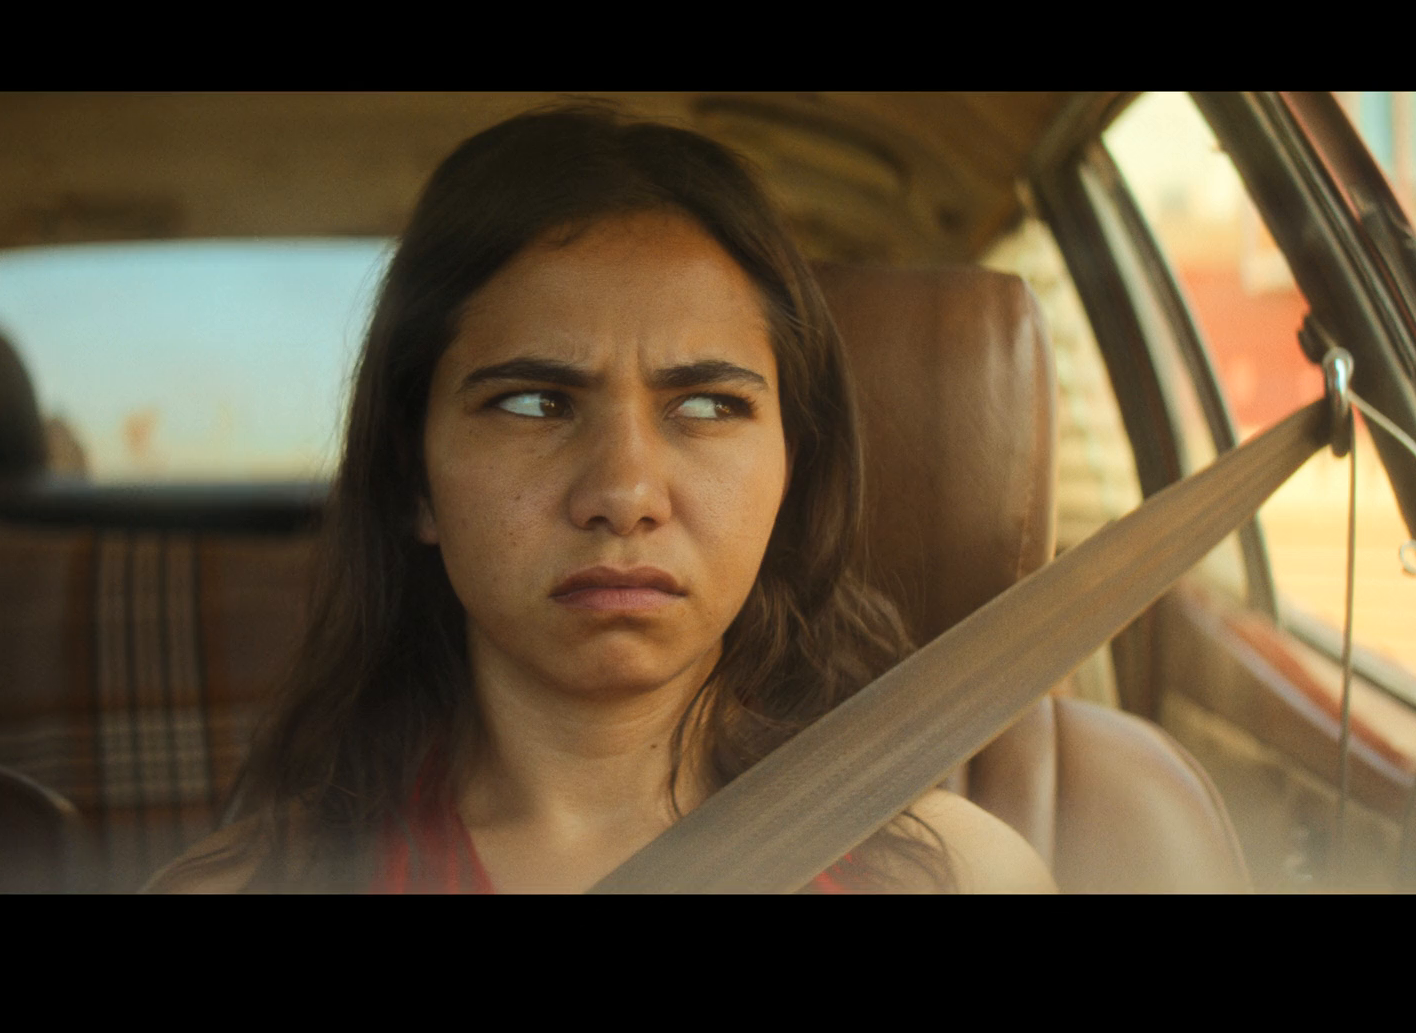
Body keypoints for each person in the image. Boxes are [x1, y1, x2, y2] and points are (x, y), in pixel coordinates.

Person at [147, 104, 1055, 894]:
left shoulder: (961, 878)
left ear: (792, 472)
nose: (624, 495)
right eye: (533, 404)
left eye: (709, 406)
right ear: (413, 480)